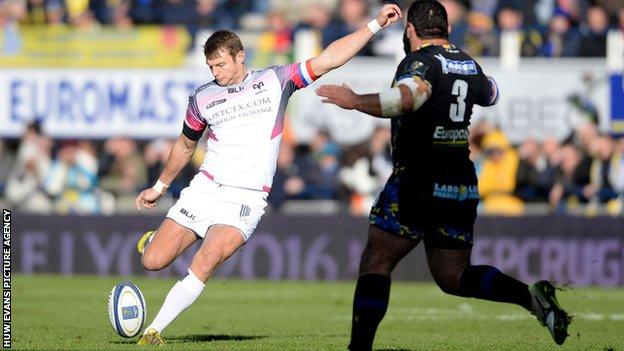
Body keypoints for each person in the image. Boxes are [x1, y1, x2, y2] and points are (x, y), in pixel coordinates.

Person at [133, 4, 403, 345]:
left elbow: (329, 59)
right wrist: (160, 186)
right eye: (210, 66)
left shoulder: (275, 80)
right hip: (205, 189)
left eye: (221, 64)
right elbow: (185, 146)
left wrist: (375, 24)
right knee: (153, 261)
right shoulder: (202, 98)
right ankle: (153, 242)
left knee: (208, 258)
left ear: (240, 56)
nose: (215, 72)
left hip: (246, 197)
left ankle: (153, 331)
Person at [315, 1, 571, 350]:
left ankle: (358, 348)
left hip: (419, 179)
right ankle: (531, 299)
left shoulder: (420, 62)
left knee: (377, 259)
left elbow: (407, 99)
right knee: (453, 276)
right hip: (460, 183)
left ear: (411, 30)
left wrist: (355, 99)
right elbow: (491, 93)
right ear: (448, 30)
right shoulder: (468, 63)